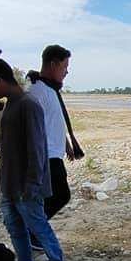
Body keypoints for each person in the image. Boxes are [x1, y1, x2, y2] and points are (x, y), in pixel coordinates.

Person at [0, 49, 68, 261]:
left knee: (40, 228)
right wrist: (1, 175)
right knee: (16, 230)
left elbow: (37, 149)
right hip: (9, 184)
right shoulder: (10, 106)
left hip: (26, 186)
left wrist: (32, 184)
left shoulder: (29, 104)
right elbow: (9, 148)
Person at [25, 45, 78, 248]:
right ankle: (32, 232)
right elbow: (29, 125)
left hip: (55, 152)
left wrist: (66, 144)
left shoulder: (50, 89)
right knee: (60, 195)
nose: (66, 71)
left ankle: (33, 231)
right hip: (44, 155)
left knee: (55, 195)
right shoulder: (36, 91)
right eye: (65, 66)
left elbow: (54, 121)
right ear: (53, 64)